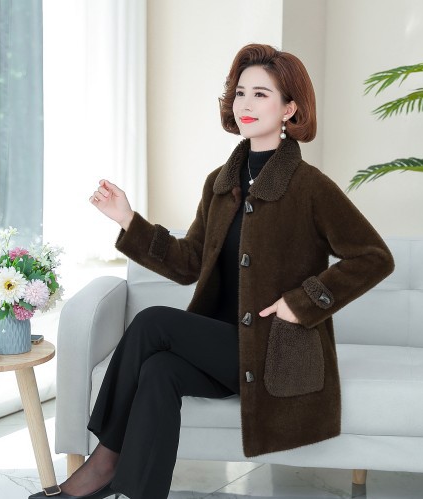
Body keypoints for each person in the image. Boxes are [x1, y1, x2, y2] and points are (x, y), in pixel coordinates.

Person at [29, 43, 394, 499]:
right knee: (160, 370)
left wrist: (302, 303)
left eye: (261, 94)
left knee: (152, 323)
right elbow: (189, 263)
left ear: (289, 109)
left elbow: (374, 256)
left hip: (272, 350)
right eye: (240, 92)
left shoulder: (310, 187)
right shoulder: (220, 183)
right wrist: (128, 220)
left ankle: (102, 465)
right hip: (223, 345)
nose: (245, 103)